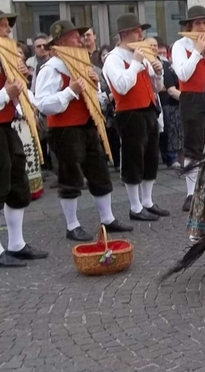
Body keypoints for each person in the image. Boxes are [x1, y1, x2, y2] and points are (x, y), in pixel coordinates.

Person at [34, 21, 132, 241]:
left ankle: (107, 218)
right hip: (64, 130)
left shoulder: (82, 63)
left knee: (99, 171)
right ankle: (72, 225)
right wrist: (70, 91)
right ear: (60, 42)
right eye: (74, 37)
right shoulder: (50, 69)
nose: (80, 40)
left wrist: (95, 86)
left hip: (87, 125)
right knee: (70, 177)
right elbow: (43, 104)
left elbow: (94, 100)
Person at [0, 2, 49, 267]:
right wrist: (5, 94)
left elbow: (21, 97)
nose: (8, 29)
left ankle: (16, 243)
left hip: (7, 126)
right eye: (2, 24)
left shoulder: (2, 57)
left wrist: (21, 88)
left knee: (17, 184)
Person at [103, 13, 169, 221]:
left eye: (141, 30)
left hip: (149, 109)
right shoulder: (113, 59)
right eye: (136, 31)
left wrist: (158, 73)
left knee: (150, 157)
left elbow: (157, 88)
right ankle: (135, 206)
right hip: (129, 113)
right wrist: (135, 63)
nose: (141, 34)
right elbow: (121, 87)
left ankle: (147, 201)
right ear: (124, 34)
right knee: (133, 158)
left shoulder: (141, 55)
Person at [172, 6, 205, 212]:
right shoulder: (179, 46)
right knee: (193, 146)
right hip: (191, 98)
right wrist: (196, 52)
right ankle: (191, 193)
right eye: (198, 23)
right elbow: (183, 75)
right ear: (189, 26)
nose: (202, 27)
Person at [14, 42, 43, 200]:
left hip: (26, 122)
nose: (17, 57)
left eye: (20, 54)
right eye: (15, 53)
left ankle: (33, 189)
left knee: (30, 154)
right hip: (14, 122)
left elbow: (30, 97)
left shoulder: (28, 73)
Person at [153, 37, 182, 169]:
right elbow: (167, 88)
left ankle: (171, 157)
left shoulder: (167, 64)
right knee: (166, 132)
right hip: (162, 102)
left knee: (169, 131)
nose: (154, 49)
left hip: (170, 102)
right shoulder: (143, 62)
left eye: (155, 46)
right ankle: (168, 157)